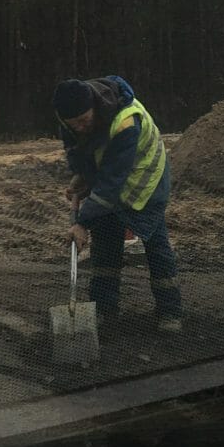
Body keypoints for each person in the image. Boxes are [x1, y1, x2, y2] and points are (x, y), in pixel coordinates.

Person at [53, 75, 183, 333]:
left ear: (94, 106)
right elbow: (81, 153)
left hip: (146, 185)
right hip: (112, 182)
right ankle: (104, 309)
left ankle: (170, 312)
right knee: (105, 245)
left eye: (83, 120)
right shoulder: (70, 122)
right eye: (72, 124)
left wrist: (82, 223)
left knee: (156, 249)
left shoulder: (126, 122)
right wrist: (82, 176)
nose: (78, 127)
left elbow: (112, 181)